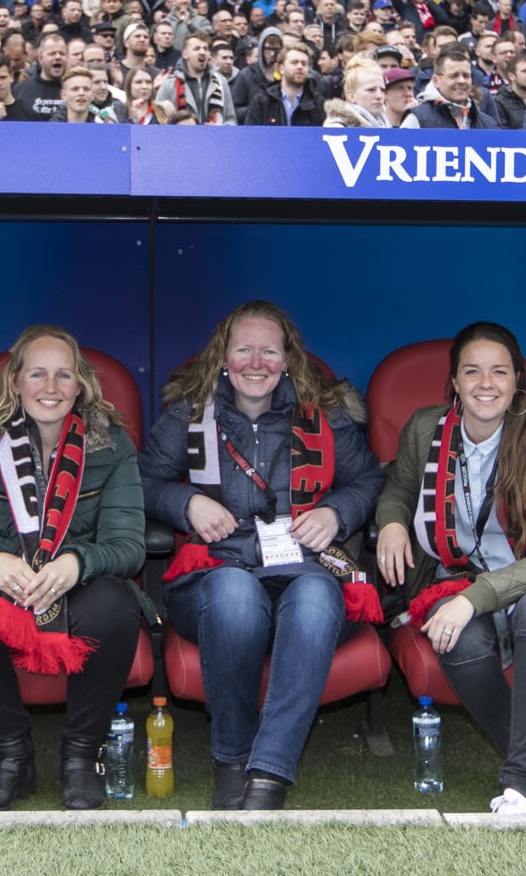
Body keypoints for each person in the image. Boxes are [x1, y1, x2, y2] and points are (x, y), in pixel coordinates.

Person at [139, 301, 384, 811]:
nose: (257, 363)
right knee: (234, 592)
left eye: (269, 351)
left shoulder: (325, 414)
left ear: (289, 359)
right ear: (223, 358)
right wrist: (188, 502)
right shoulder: (190, 411)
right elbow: (140, 480)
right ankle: (231, 760)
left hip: (303, 567)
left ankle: (269, 774)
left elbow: (368, 480)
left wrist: (337, 513)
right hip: (215, 574)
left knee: (317, 595)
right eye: (244, 350)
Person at [374, 322, 526, 817]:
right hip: (456, 578)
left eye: (499, 372)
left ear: (517, 381)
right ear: (454, 383)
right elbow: (397, 489)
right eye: (472, 371)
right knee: (458, 638)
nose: (486, 383)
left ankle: (522, 784)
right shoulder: (425, 429)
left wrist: (471, 600)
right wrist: (393, 522)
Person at [0, 325, 146, 811]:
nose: (51, 388)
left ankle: (81, 759)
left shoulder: (113, 447)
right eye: (38, 374)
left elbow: (128, 546)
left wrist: (77, 562)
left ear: (81, 384)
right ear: (15, 382)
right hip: (5, 585)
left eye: (64, 375)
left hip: (79, 584)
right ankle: (10, 758)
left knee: (115, 603)